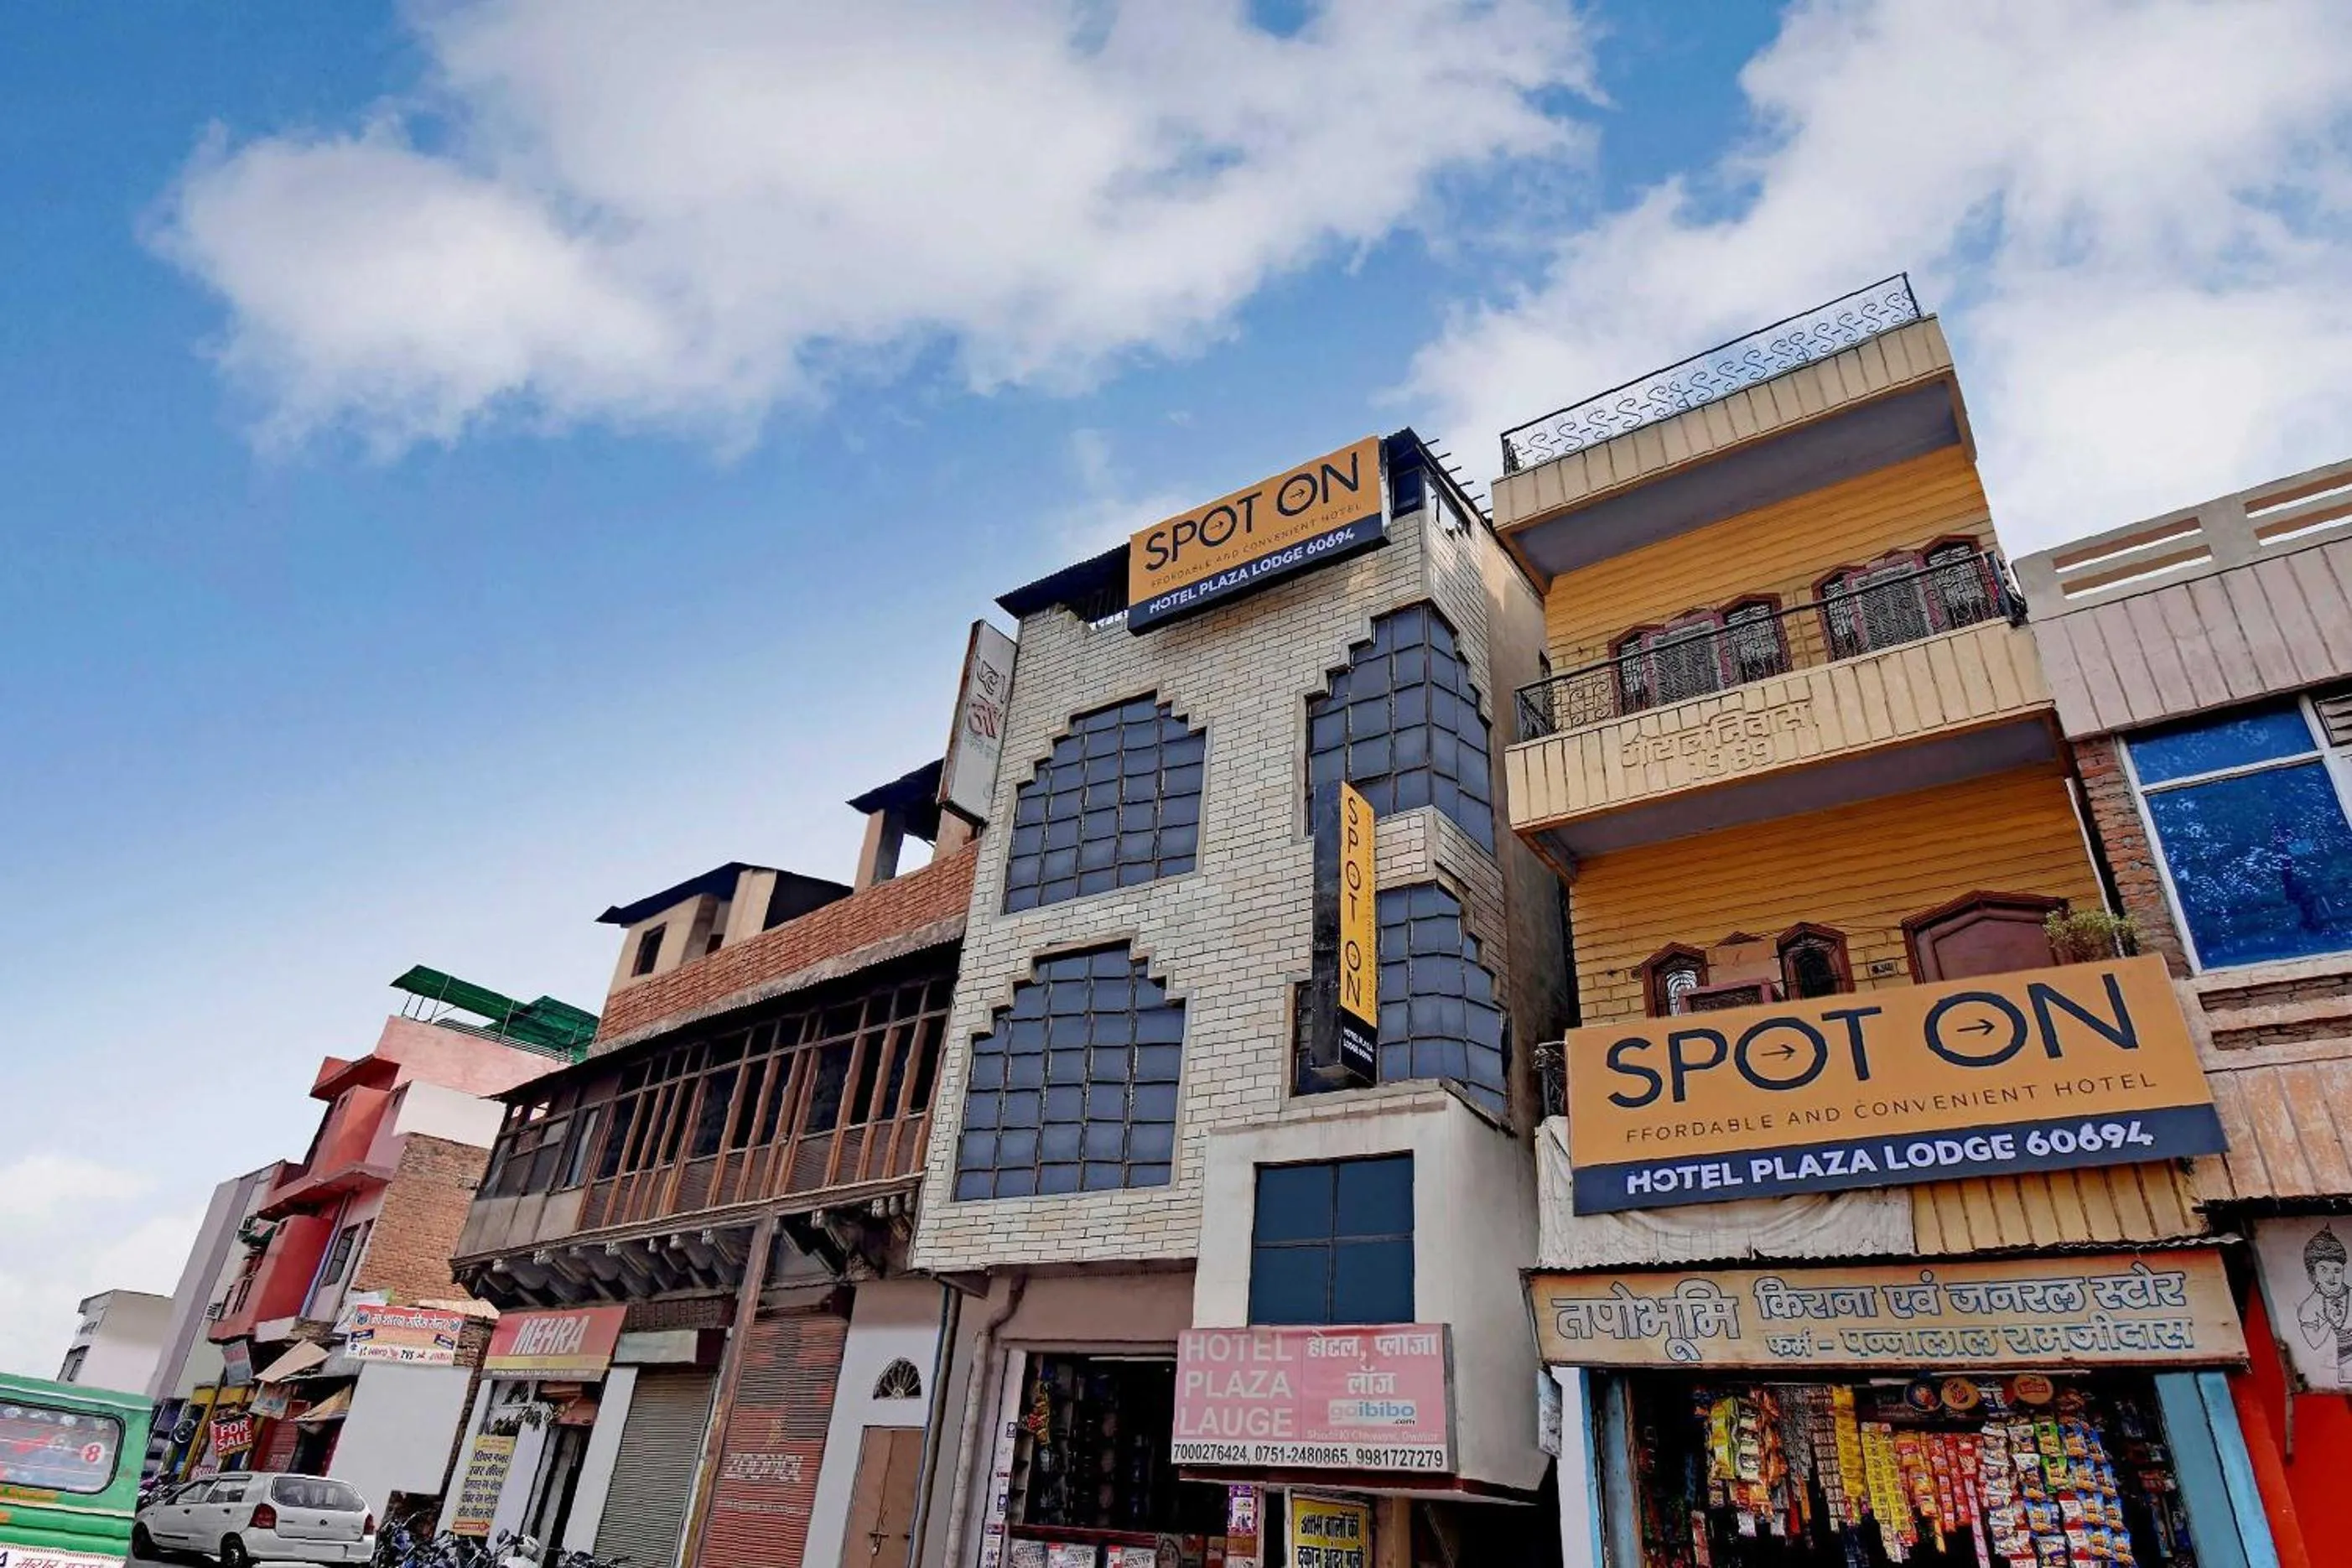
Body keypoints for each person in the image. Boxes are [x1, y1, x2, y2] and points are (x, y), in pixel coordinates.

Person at [2296, 1224, 2351, 1386]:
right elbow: (2314, 1342)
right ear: (2313, 1274)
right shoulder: (2308, 1306)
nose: (2331, 1277)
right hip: (2332, 1374)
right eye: (2324, 1269)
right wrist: (2329, 1321)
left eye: (2337, 1270)